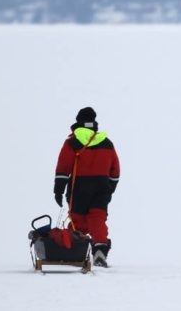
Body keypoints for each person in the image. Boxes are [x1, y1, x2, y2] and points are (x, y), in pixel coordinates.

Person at [54, 107, 120, 267]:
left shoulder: (72, 142)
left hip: (79, 186)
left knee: (78, 221)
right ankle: (99, 249)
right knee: (97, 218)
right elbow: (115, 170)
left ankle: (73, 251)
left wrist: (59, 189)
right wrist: (109, 187)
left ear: (78, 122)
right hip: (101, 186)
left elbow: (63, 167)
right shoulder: (106, 142)